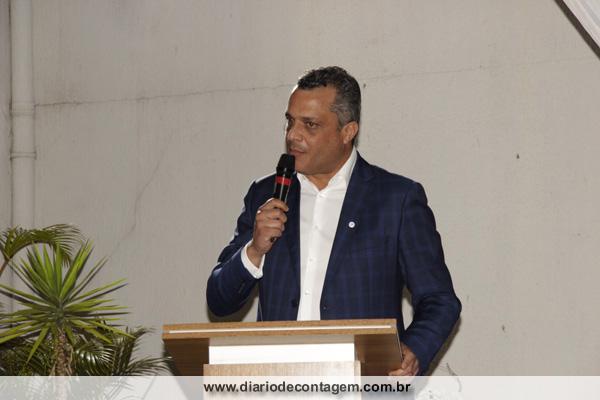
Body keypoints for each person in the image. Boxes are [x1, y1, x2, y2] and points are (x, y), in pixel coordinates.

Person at [206, 66, 461, 375]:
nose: (293, 135)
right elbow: (219, 300)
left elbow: (439, 300)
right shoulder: (265, 194)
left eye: (309, 125)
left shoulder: (395, 200)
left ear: (347, 131)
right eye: (290, 121)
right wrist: (254, 250)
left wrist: (413, 349)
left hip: (361, 385)